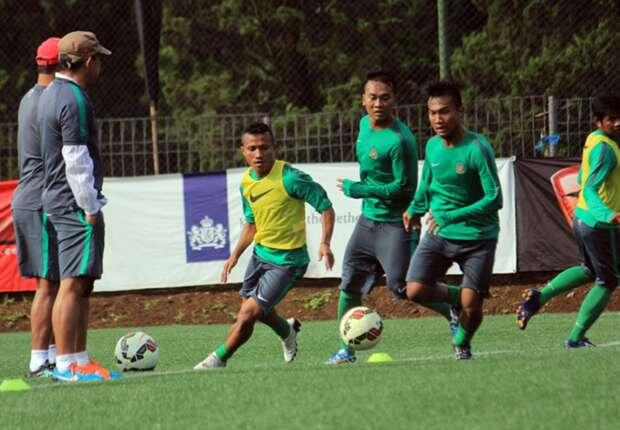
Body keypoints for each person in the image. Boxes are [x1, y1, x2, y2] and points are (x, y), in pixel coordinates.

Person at [325, 70, 460, 365]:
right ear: (363, 100)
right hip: (366, 222)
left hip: (395, 224)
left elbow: (403, 188)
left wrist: (358, 189)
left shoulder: (401, 140)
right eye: (372, 97)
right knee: (349, 285)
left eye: (385, 97)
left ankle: (455, 303)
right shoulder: (363, 125)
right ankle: (346, 351)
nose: (378, 103)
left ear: (394, 100)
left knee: (403, 289)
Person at [194, 122, 335, 369]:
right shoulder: (246, 183)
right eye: (253, 148)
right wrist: (235, 255)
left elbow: (325, 207)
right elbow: (251, 225)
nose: (259, 154)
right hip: (260, 255)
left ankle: (217, 359)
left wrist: (325, 243)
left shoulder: (291, 178)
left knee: (248, 314)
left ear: (274, 148)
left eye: (264, 147)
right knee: (256, 310)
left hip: (288, 261)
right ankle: (287, 331)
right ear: (243, 151)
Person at [403, 80, 503, 360]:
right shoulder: (433, 146)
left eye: (444, 111)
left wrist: (451, 215)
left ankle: (463, 341)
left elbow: (495, 198)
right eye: (432, 112)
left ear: (460, 110)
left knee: (473, 306)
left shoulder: (477, 148)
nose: (438, 119)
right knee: (414, 289)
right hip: (440, 234)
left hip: (478, 237)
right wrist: (415, 208)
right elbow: (427, 184)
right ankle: (460, 300)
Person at [39, 31, 116, 382]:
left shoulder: (49, 93)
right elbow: (75, 157)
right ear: (88, 61)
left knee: (77, 283)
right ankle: (68, 364)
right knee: (72, 283)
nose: (100, 64)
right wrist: (89, 205)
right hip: (72, 203)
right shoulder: (74, 99)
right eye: (98, 58)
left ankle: (77, 359)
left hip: (54, 199)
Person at [516, 95, 620, 347]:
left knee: (589, 269)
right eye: (611, 119)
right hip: (599, 223)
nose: (617, 123)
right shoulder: (605, 149)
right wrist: (609, 214)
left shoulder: (594, 139)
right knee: (608, 280)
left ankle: (539, 297)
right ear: (598, 122)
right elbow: (592, 188)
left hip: (583, 218)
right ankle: (575, 338)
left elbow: (584, 176)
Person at [11, 37, 61, 378]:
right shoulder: (48, 102)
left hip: (34, 198)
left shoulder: (31, 97)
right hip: (40, 200)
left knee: (55, 283)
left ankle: (56, 356)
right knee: (47, 286)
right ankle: (38, 361)